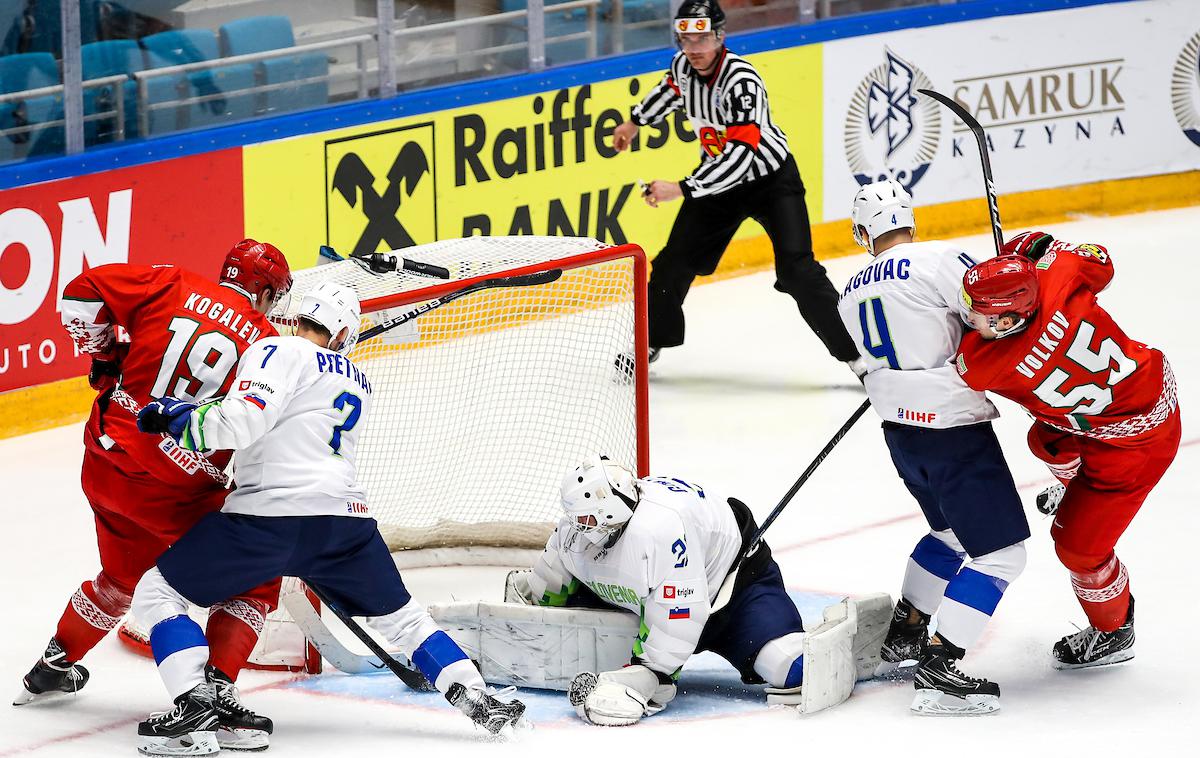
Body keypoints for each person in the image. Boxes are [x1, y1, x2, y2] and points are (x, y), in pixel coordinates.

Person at [129, 282, 525, 755]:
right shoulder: (359, 378)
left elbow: (245, 420)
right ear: (343, 335)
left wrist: (179, 420)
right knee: (405, 620)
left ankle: (194, 708)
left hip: (268, 519)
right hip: (345, 525)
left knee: (157, 592)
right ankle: (478, 697)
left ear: (299, 318)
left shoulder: (276, 347)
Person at [16, 241, 292, 747]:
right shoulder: (268, 344)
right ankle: (213, 696)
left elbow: (79, 297)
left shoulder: (171, 282)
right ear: (267, 292)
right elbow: (264, 430)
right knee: (254, 583)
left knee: (122, 577)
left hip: (107, 464)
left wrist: (106, 353)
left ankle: (53, 665)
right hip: (177, 493)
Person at [835, 180, 1029, 715]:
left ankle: (907, 631)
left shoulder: (849, 290)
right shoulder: (939, 259)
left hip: (900, 432)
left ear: (863, 232)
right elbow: (993, 319)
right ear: (909, 221)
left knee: (946, 534)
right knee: (1002, 556)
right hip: (953, 429)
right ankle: (941, 669)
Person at [957, 232, 1181, 669]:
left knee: (1077, 549)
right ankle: (1073, 484)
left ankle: (1114, 632)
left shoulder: (984, 363)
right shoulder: (1058, 275)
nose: (969, 319)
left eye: (979, 315)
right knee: (1045, 439)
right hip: (1131, 396)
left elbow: (959, 356)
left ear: (1007, 323)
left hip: (1134, 448)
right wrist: (1033, 251)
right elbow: (1102, 262)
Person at [610, 0, 861, 374]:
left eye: (702, 39)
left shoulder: (741, 81)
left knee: (798, 272)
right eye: (684, 40)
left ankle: (858, 358)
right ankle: (651, 342)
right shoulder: (684, 65)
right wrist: (634, 122)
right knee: (671, 265)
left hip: (770, 182)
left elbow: (741, 157)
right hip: (718, 184)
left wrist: (682, 188)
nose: (693, 50)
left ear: (720, 36)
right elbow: (669, 89)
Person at [518, 456, 811, 726]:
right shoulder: (579, 528)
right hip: (652, 604)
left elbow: (683, 612)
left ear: (611, 511)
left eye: (587, 520)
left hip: (734, 590)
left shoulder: (660, 529)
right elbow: (553, 575)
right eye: (576, 519)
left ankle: (835, 650)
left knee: (792, 666)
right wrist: (528, 611)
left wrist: (651, 675)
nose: (579, 527)